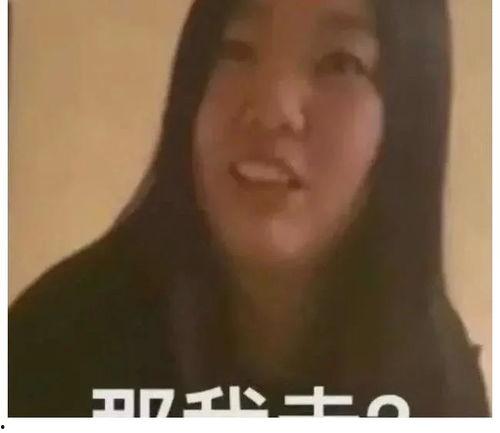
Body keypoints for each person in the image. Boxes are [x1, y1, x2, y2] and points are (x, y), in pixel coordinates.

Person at [9, 0, 490, 417]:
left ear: (408, 122)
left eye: (340, 62)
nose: (273, 107)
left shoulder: (436, 383)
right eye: (236, 49)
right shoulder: (51, 352)